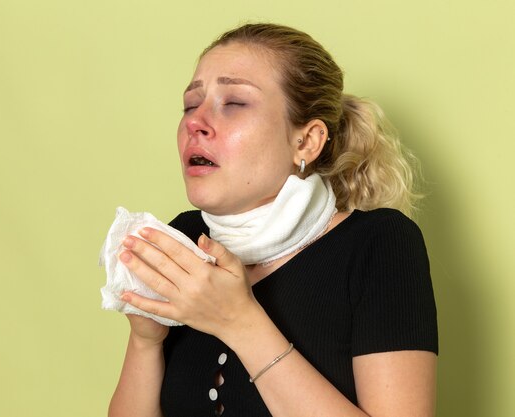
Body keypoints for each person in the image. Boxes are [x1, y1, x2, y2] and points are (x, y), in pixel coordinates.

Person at [107, 23, 438, 417]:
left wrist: (238, 322)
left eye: (234, 103)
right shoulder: (182, 238)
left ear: (306, 141)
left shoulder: (378, 244)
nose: (196, 121)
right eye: (190, 104)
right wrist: (146, 339)